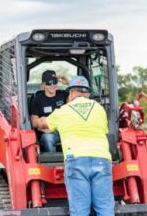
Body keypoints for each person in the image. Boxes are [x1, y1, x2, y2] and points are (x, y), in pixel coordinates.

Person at [37, 76, 114, 216]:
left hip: (76, 161)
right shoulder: (99, 109)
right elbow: (104, 130)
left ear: (71, 93)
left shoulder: (63, 111)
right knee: (105, 208)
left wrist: (40, 120)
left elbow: (42, 124)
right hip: (101, 159)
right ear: (88, 93)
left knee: (80, 210)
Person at [30, 70, 68, 152]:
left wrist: (68, 83)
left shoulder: (63, 94)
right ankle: (52, 161)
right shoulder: (37, 99)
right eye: (49, 83)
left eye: (54, 82)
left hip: (64, 129)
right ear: (43, 85)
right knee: (48, 138)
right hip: (46, 131)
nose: (52, 85)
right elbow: (34, 123)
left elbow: (77, 94)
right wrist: (46, 128)